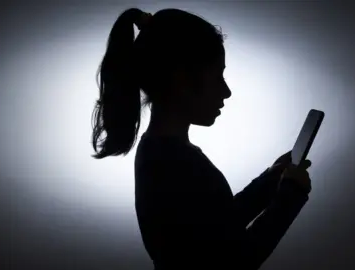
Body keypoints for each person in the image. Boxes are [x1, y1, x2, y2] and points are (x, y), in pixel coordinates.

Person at [91, 7, 313, 270]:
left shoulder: (163, 153)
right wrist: (290, 196)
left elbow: (217, 226)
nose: (227, 91)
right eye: (218, 76)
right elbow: (234, 260)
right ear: (180, 79)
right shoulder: (172, 162)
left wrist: (271, 180)